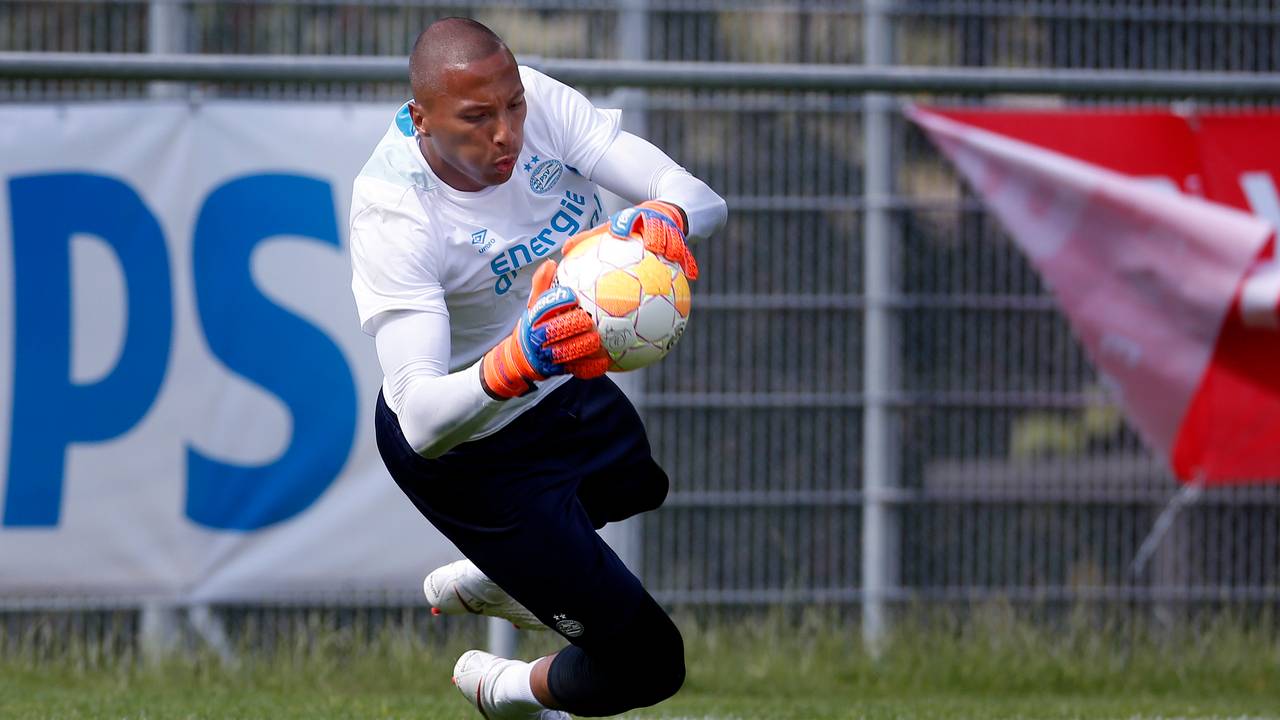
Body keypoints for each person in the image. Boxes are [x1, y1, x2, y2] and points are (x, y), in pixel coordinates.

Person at [349, 17, 727, 719]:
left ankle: (505, 576)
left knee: (636, 481)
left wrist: (667, 215)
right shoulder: (394, 212)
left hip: (555, 380)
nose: (505, 133)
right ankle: (509, 691)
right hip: (470, 453)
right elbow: (423, 421)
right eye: (476, 117)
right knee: (649, 666)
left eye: (513, 105)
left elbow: (702, 196)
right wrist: (517, 359)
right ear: (420, 119)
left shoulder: (540, 105)